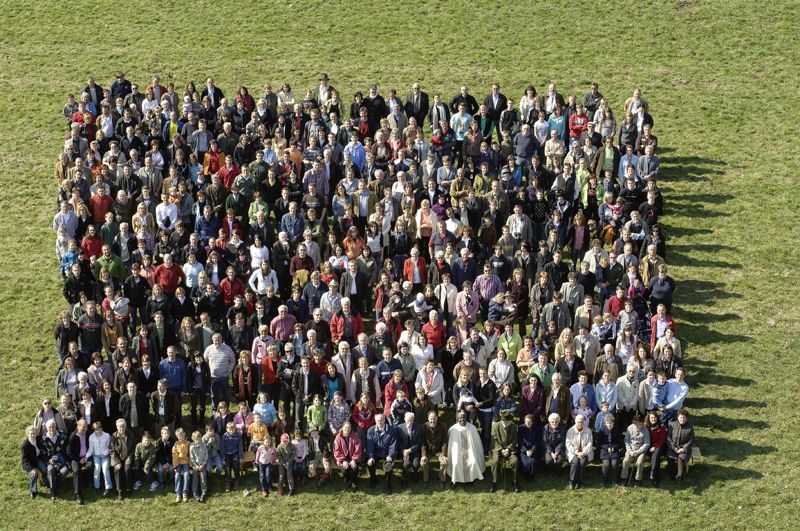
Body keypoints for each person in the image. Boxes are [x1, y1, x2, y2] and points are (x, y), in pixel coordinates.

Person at [446, 411, 485, 486]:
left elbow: (477, 442)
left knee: (473, 462)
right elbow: (451, 445)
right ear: (457, 419)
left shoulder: (472, 428)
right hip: (457, 453)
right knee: (456, 463)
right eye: (460, 418)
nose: (462, 419)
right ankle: (455, 480)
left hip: (470, 452)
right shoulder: (453, 429)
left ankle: (470, 478)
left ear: (466, 418)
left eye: (464, 418)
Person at [489, 410, 520, 493]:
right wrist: (501, 449)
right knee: (494, 462)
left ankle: (515, 482)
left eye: (510, 422)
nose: (510, 423)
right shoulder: (495, 426)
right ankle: (494, 481)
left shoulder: (514, 426)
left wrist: (508, 449)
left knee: (515, 461)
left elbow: (514, 440)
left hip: (510, 450)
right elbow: (494, 440)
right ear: (503, 421)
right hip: (498, 449)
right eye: (508, 422)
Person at [367, 413, 397, 494]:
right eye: (377, 421)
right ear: (375, 421)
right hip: (376, 453)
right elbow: (370, 446)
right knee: (370, 464)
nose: (379, 422)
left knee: (388, 465)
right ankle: (373, 480)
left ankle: (388, 484)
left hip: (387, 453)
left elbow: (393, 444)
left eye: (381, 420)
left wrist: (390, 455)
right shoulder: (371, 430)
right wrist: (371, 457)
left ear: (384, 420)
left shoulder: (392, 430)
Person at [621, 415, 651, 487]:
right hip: (631, 449)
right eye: (635, 424)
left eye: (639, 424)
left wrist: (637, 452)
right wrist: (629, 450)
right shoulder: (629, 428)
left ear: (642, 423)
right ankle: (624, 478)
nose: (637, 426)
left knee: (639, 462)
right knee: (625, 461)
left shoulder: (645, 430)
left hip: (641, 450)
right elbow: (626, 441)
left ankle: (638, 479)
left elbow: (647, 443)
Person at [110, 419, 136, 500]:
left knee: (127, 469)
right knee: (117, 469)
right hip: (117, 458)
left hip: (127, 457)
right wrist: (117, 462)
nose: (121, 429)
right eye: (120, 427)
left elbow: (135, 447)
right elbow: (111, 450)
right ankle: (119, 490)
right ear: (117, 427)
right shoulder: (113, 436)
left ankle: (128, 488)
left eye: (123, 427)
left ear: (126, 427)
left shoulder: (130, 434)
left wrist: (130, 457)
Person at [565, 414, 593, 490]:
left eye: (581, 422)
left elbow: (590, 443)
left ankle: (579, 480)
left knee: (582, 462)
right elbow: (568, 444)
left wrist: (583, 452)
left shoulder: (588, 430)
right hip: (573, 452)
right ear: (575, 422)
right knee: (576, 462)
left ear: (584, 422)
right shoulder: (570, 430)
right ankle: (572, 480)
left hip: (585, 452)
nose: (579, 424)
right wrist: (577, 452)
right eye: (578, 422)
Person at [333, 421, 362, 492]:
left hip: (353, 458)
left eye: (349, 428)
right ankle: (348, 480)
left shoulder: (355, 436)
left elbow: (358, 448)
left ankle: (353, 482)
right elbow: (336, 450)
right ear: (342, 428)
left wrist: (354, 460)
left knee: (354, 469)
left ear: (351, 428)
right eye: (345, 428)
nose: (347, 430)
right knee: (345, 470)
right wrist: (343, 460)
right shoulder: (338, 437)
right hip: (342, 459)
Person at [396, 411, 422, 487]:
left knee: (416, 464)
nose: (409, 422)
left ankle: (415, 476)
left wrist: (410, 450)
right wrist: (404, 451)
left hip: (414, 451)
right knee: (406, 464)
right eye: (408, 420)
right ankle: (404, 478)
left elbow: (419, 442)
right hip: (403, 452)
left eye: (411, 420)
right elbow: (398, 442)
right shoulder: (399, 428)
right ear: (404, 419)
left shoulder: (418, 427)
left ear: (414, 419)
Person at [667, 409, 694, 482]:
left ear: (686, 418)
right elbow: (668, 437)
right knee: (670, 458)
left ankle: (680, 475)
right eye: (680, 417)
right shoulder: (672, 424)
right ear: (678, 417)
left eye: (684, 418)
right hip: (674, 447)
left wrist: (684, 448)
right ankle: (672, 474)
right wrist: (673, 447)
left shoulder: (690, 427)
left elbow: (691, 439)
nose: (682, 419)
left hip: (684, 448)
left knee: (681, 458)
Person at [596, 414, 623, 487]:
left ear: (613, 423)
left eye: (611, 423)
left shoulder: (617, 430)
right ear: (605, 423)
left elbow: (620, 442)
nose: (609, 425)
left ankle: (614, 480)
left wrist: (614, 448)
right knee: (606, 464)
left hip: (615, 449)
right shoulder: (602, 431)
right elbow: (599, 443)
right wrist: (607, 447)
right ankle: (603, 479)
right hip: (605, 450)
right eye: (607, 423)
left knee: (614, 463)